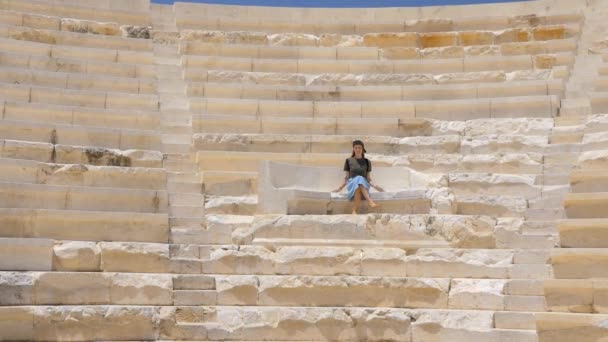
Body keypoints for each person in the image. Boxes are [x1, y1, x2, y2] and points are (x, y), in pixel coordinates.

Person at [332, 140, 384, 214]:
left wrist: (376, 187)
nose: (357, 149)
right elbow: (346, 177)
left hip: (364, 186)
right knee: (358, 180)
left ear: (362, 149)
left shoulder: (367, 162)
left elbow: (368, 178)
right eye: (356, 148)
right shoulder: (348, 160)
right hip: (352, 185)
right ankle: (370, 202)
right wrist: (339, 188)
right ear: (353, 149)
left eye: (359, 148)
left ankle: (354, 211)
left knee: (359, 180)